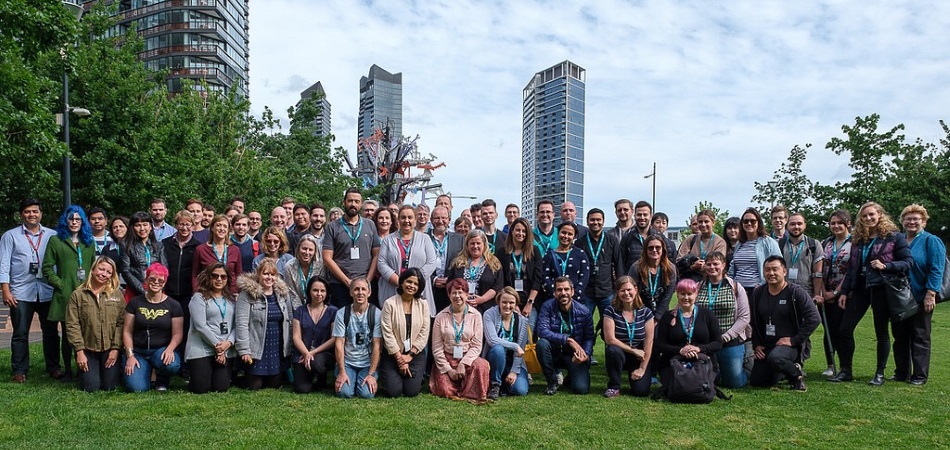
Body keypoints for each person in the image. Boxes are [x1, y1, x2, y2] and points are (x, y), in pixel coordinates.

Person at [833, 202, 912, 385]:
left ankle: (879, 373)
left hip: (881, 289)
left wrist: (886, 266)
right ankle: (846, 370)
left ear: (880, 215)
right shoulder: (859, 239)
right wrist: (845, 291)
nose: (868, 218)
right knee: (844, 330)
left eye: (871, 215)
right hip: (859, 289)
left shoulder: (894, 237)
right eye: (864, 216)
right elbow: (852, 269)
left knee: (881, 332)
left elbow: (908, 263)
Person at [2, 198, 59, 383]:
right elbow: (4, 264)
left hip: (47, 290)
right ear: (21, 215)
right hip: (20, 291)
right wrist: (5, 289)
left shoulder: (53, 235)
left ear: (41, 214)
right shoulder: (10, 236)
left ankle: (54, 367)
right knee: (20, 333)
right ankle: (19, 370)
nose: (31, 215)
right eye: (27, 212)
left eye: (35, 211)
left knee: (50, 332)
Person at [891, 204, 945, 385]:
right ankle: (901, 372)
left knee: (920, 336)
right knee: (900, 337)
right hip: (900, 297)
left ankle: (920, 376)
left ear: (923, 221)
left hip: (921, 296)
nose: (912, 222)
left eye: (916, 219)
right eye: (908, 219)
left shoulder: (931, 241)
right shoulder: (898, 240)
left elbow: (937, 268)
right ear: (902, 221)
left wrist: (931, 293)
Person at [749, 256, 820, 391]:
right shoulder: (758, 293)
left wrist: (795, 340)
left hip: (790, 346)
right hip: (767, 345)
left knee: (777, 359)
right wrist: (757, 344)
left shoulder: (796, 292)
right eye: (767, 270)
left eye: (775, 269)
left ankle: (796, 376)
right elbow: (754, 321)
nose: (771, 273)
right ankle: (782, 372)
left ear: (784, 271)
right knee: (758, 381)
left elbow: (814, 318)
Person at [42, 205, 96, 383]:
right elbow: (47, 268)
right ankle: (67, 370)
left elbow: (94, 268)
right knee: (67, 334)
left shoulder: (88, 242)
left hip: (86, 293)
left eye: (78, 219)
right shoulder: (56, 240)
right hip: (65, 295)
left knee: (86, 332)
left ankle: (84, 368)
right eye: (71, 219)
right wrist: (60, 283)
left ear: (83, 222)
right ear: (65, 221)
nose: (74, 222)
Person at [65, 256, 125, 391]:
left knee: (110, 386)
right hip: (88, 348)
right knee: (91, 387)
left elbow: (121, 323)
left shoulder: (117, 294)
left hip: (110, 348)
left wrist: (116, 349)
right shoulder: (78, 295)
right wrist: (79, 351)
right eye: (101, 269)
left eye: (109, 272)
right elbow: (72, 324)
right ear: (93, 270)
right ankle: (85, 373)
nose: (104, 274)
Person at [122, 263, 183, 392]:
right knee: (137, 389)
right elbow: (127, 331)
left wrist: (170, 349)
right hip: (138, 351)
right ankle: (144, 372)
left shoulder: (173, 305)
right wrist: (130, 356)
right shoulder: (135, 302)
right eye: (152, 279)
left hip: (161, 350)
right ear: (146, 280)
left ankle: (161, 378)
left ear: (165, 283)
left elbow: (177, 334)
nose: (156, 283)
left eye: (161, 280)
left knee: (171, 365)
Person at [235, 259, 294, 390]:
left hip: (277, 346)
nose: (269, 277)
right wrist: (244, 350)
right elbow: (241, 323)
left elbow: (289, 320)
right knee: (255, 386)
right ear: (258, 274)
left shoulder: (283, 294)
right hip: (256, 346)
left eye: (273, 274)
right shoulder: (246, 295)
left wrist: (289, 346)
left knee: (275, 385)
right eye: (266, 273)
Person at [653, 279, 722, 391]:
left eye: (690, 294)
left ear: (696, 294)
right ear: (677, 294)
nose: (686, 297)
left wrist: (698, 348)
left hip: (702, 361)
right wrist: (680, 350)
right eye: (682, 293)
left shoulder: (707, 315)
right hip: (673, 362)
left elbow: (717, 343)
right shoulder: (667, 316)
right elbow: (660, 344)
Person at [430, 278, 490, 401]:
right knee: (444, 389)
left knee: (481, 365)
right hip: (447, 358)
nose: (457, 296)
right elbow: (436, 348)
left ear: (467, 294)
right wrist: (448, 369)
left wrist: (463, 363)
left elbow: (477, 345)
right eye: (453, 293)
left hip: (468, 358)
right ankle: (458, 387)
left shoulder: (476, 315)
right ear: (448, 295)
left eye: (460, 292)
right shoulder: (440, 316)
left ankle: (469, 391)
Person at [698, 251, 751, 388]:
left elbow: (744, 317)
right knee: (705, 380)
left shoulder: (735, 287)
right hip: (705, 342)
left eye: (716, 264)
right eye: (708, 264)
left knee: (733, 382)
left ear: (723, 265)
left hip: (729, 340)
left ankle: (748, 369)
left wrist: (725, 337)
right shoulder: (698, 287)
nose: (712, 267)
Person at [323, 188, 381, 307]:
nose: (353, 204)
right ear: (344, 202)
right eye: (350, 201)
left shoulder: (370, 225)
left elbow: (376, 254)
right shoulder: (332, 227)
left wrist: (367, 281)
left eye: (356, 201)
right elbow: (327, 258)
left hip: (366, 285)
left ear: (361, 203)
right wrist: (347, 281)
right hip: (340, 285)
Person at [536, 277, 594, 395]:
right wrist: (567, 339)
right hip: (554, 352)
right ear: (554, 292)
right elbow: (542, 330)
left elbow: (589, 338)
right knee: (542, 344)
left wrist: (585, 355)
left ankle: (570, 377)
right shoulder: (547, 307)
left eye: (566, 289)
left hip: (573, 355)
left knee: (581, 389)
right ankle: (552, 381)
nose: (563, 293)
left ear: (572, 291)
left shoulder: (584, 311)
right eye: (559, 290)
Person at [185, 263, 237, 394]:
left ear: (227, 279)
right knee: (201, 388)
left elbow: (237, 325)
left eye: (223, 277)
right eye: (215, 276)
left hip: (225, 347)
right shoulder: (199, 297)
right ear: (208, 277)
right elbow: (200, 326)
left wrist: (228, 343)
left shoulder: (231, 300)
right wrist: (218, 347)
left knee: (221, 387)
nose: (219, 279)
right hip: (202, 347)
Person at [379, 268, 430, 397]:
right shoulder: (389, 304)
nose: (412, 286)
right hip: (392, 354)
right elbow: (387, 333)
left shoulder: (423, 304)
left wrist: (410, 355)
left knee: (411, 392)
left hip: (415, 354)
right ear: (402, 282)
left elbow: (424, 332)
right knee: (393, 392)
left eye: (416, 284)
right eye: (409, 282)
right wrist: (400, 358)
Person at [602, 276, 654, 398]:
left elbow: (649, 342)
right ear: (617, 293)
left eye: (629, 289)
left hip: (639, 356)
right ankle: (614, 386)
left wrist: (642, 368)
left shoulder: (646, 312)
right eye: (622, 290)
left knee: (641, 392)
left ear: (635, 289)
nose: (626, 293)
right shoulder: (611, 311)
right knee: (612, 349)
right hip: (620, 352)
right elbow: (610, 339)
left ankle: (639, 374)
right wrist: (632, 350)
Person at [377, 205, 437, 310]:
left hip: (418, 290)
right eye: (403, 217)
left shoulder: (425, 239)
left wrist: (413, 282)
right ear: (398, 220)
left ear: (415, 220)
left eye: (410, 217)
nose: (406, 220)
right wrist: (400, 282)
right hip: (393, 289)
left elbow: (431, 262)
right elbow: (381, 263)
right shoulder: (388, 240)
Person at [333, 278, 382, 399]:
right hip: (348, 362)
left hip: (367, 363)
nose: (360, 292)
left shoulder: (376, 314)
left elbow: (377, 346)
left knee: (366, 394)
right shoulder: (342, 313)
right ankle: (349, 379)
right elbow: (339, 344)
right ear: (350, 292)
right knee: (344, 393)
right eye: (356, 289)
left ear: (369, 293)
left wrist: (371, 374)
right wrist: (342, 372)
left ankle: (364, 380)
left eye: (363, 289)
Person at [818, 209, 852, 378]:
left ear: (848, 224)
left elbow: (852, 270)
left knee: (842, 330)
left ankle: (846, 365)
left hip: (845, 294)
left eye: (840, 223)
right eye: (833, 223)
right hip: (826, 293)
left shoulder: (855, 243)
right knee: (829, 330)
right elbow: (819, 268)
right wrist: (824, 291)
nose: (836, 226)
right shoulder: (825, 243)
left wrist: (837, 292)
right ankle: (830, 364)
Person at [291, 276, 338, 393]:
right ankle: (310, 375)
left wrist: (313, 353)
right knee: (302, 389)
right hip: (303, 354)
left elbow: (334, 338)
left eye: (323, 291)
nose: (319, 294)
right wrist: (306, 353)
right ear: (309, 291)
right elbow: (296, 337)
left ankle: (321, 375)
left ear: (327, 293)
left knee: (316, 362)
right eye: (315, 290)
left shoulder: (333, 311)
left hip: (323, 354)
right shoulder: (299, 311)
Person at [483, 287, 530, 399]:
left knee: (520, 390)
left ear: (516, 304)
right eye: (504, 302)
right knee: (498, 348)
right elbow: (492, 340)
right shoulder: (489, 314)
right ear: (498, 301)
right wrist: (515, 346)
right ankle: (495, 385)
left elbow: (520, 352)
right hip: (494, 360)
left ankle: (505, 384)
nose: (507, 306)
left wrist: (514, 371)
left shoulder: (523, 322)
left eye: (511, 303)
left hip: (512, 362)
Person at [163, 210, 200, 346]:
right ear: (176, 225)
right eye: (181, 224)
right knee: (167, 327)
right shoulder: (165, 244)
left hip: (188, 294)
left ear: (193, 226)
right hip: (168, 293)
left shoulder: (198, 246)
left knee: (185, 328)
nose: (184, 228)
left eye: (188, 224)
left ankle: (184, 363)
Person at [581, 208, 622, 326]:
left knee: (609, 326)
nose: (595, 222)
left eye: (598, 220)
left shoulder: (612, 240)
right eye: (592, 220)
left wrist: (619, 289)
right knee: (584, 326)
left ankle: (610, 345)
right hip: (587, 292)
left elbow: (618, 265)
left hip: (607, 292)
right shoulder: (580, 242)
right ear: (587, 221)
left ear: (603, 221)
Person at [728, 207, 781, 298]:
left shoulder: (768, 242)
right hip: (738, 290)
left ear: (758, 223)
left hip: (759, 290)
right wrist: (730, 282)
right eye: (746, 221)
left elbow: (778, 266)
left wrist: (763, 284)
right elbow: (733, 266)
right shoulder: (739, 243)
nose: (749, 224)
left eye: (752, 221)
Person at [446, 230, 504, 313]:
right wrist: (461, 298)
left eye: (478, 243)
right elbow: (450, 283)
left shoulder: (494, 263)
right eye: (472, 243)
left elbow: (498, 286)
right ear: (467, 245)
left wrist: (482, 299)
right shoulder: (457, 263)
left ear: (484, 244)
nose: (475, 246)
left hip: (486, 309)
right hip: (460, 308)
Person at [496, 218, 542, 319]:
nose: (521, 233)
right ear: (512, 231)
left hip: (530, 301)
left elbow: (537, 279)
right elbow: (501, 280)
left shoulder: (534, 251)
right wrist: (513, 304)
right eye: (518, 230)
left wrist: (529, 303)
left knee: (528, 328)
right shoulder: (502, 252)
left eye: (524, 231)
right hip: (508, 302)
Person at [628, 235, 677, 317]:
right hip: (640, 312)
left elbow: (667, 296)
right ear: (645, 250)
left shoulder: (671, 269)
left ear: (663, 249)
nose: (654, 250)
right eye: (650, 248)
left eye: (658, 247)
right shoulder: (636, 268)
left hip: (662, 313)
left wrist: (657, 318)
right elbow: (633, 293)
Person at [121, 212, 167, 300]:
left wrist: (157, 288)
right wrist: (143, 291)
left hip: (157, 288)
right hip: (135, 289)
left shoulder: (159, 245)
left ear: (150, 226)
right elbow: (125, 270)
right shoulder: (126, 245)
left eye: (145, 225)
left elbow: (164, 269)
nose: (142, 228)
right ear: (133, 227)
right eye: (138, 225)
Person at [192, 214, 242, 295]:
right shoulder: (201, 249)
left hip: (230, 294)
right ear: (212, 228)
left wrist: (236, 292)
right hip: (207, 294)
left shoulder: (235, 250)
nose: (222, 229)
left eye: (225, 226)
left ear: (228, 230)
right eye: (218, 225)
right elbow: (195, 275)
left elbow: (238, 274)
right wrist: (196, 293)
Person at [541, 222, 590, 304]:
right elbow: (545, 277)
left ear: (574, 237)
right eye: (563, 232)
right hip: (553, 301)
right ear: (558, 233)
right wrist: (555, 293)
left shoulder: (580, 254)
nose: (566, 236)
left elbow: (585, 276)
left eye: (570, 234)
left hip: (576, 301)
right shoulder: (549, 255)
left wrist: (573, 294)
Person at [620, 201, 674, 273]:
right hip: (634, 280)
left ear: (651, 216)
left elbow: (669, 260)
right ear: (634, 215)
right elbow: (621, 263)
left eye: (645, 214)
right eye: (639, 214)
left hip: (655, 280)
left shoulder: (660, 237)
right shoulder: (627, 238)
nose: (642, 217)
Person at [778, 213, 824, 300]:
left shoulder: (814, 244)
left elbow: (818, 273)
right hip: (783, 292)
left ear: (805, 225)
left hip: (807, 294)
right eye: (792, 224)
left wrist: (817, 294)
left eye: (799, 223)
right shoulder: (779, 244)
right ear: (787, 226)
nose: (796, 227)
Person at [428, 205, 464, 313]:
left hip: (452, 291)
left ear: (449, 220)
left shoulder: (460, 240)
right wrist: (433, 280)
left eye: (443, 218)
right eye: (436, 218)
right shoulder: (423, 238)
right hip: (429, 290)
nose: (440, 221)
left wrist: (450, 280)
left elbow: (463, 264)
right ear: (431, 220)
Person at [675, 209, 727, 282]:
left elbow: (719, 264)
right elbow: (679, 260)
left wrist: (704, 266)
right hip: (690, 282)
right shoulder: (691, 239)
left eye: (706, 221)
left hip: (711, 281)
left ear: (713, 222)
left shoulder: (720, 242)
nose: (703, 225)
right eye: (700, 222)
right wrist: (692, 267)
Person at [283, 234, 324, 307]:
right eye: (304, 248)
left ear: (315, 251)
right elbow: (291, 293)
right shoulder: (289, 266)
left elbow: (321, 290)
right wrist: (301, 312)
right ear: (298, 248)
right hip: (295, 307)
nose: (307, 252)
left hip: (316, 304)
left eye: (310, 250)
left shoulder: (320, 266)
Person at [103, 215, 129, 289]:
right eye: (115, 227)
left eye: (121, 226)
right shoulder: (107, 249)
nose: (118, 229)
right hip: (112, 287)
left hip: (132, 287)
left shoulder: (135, 247)